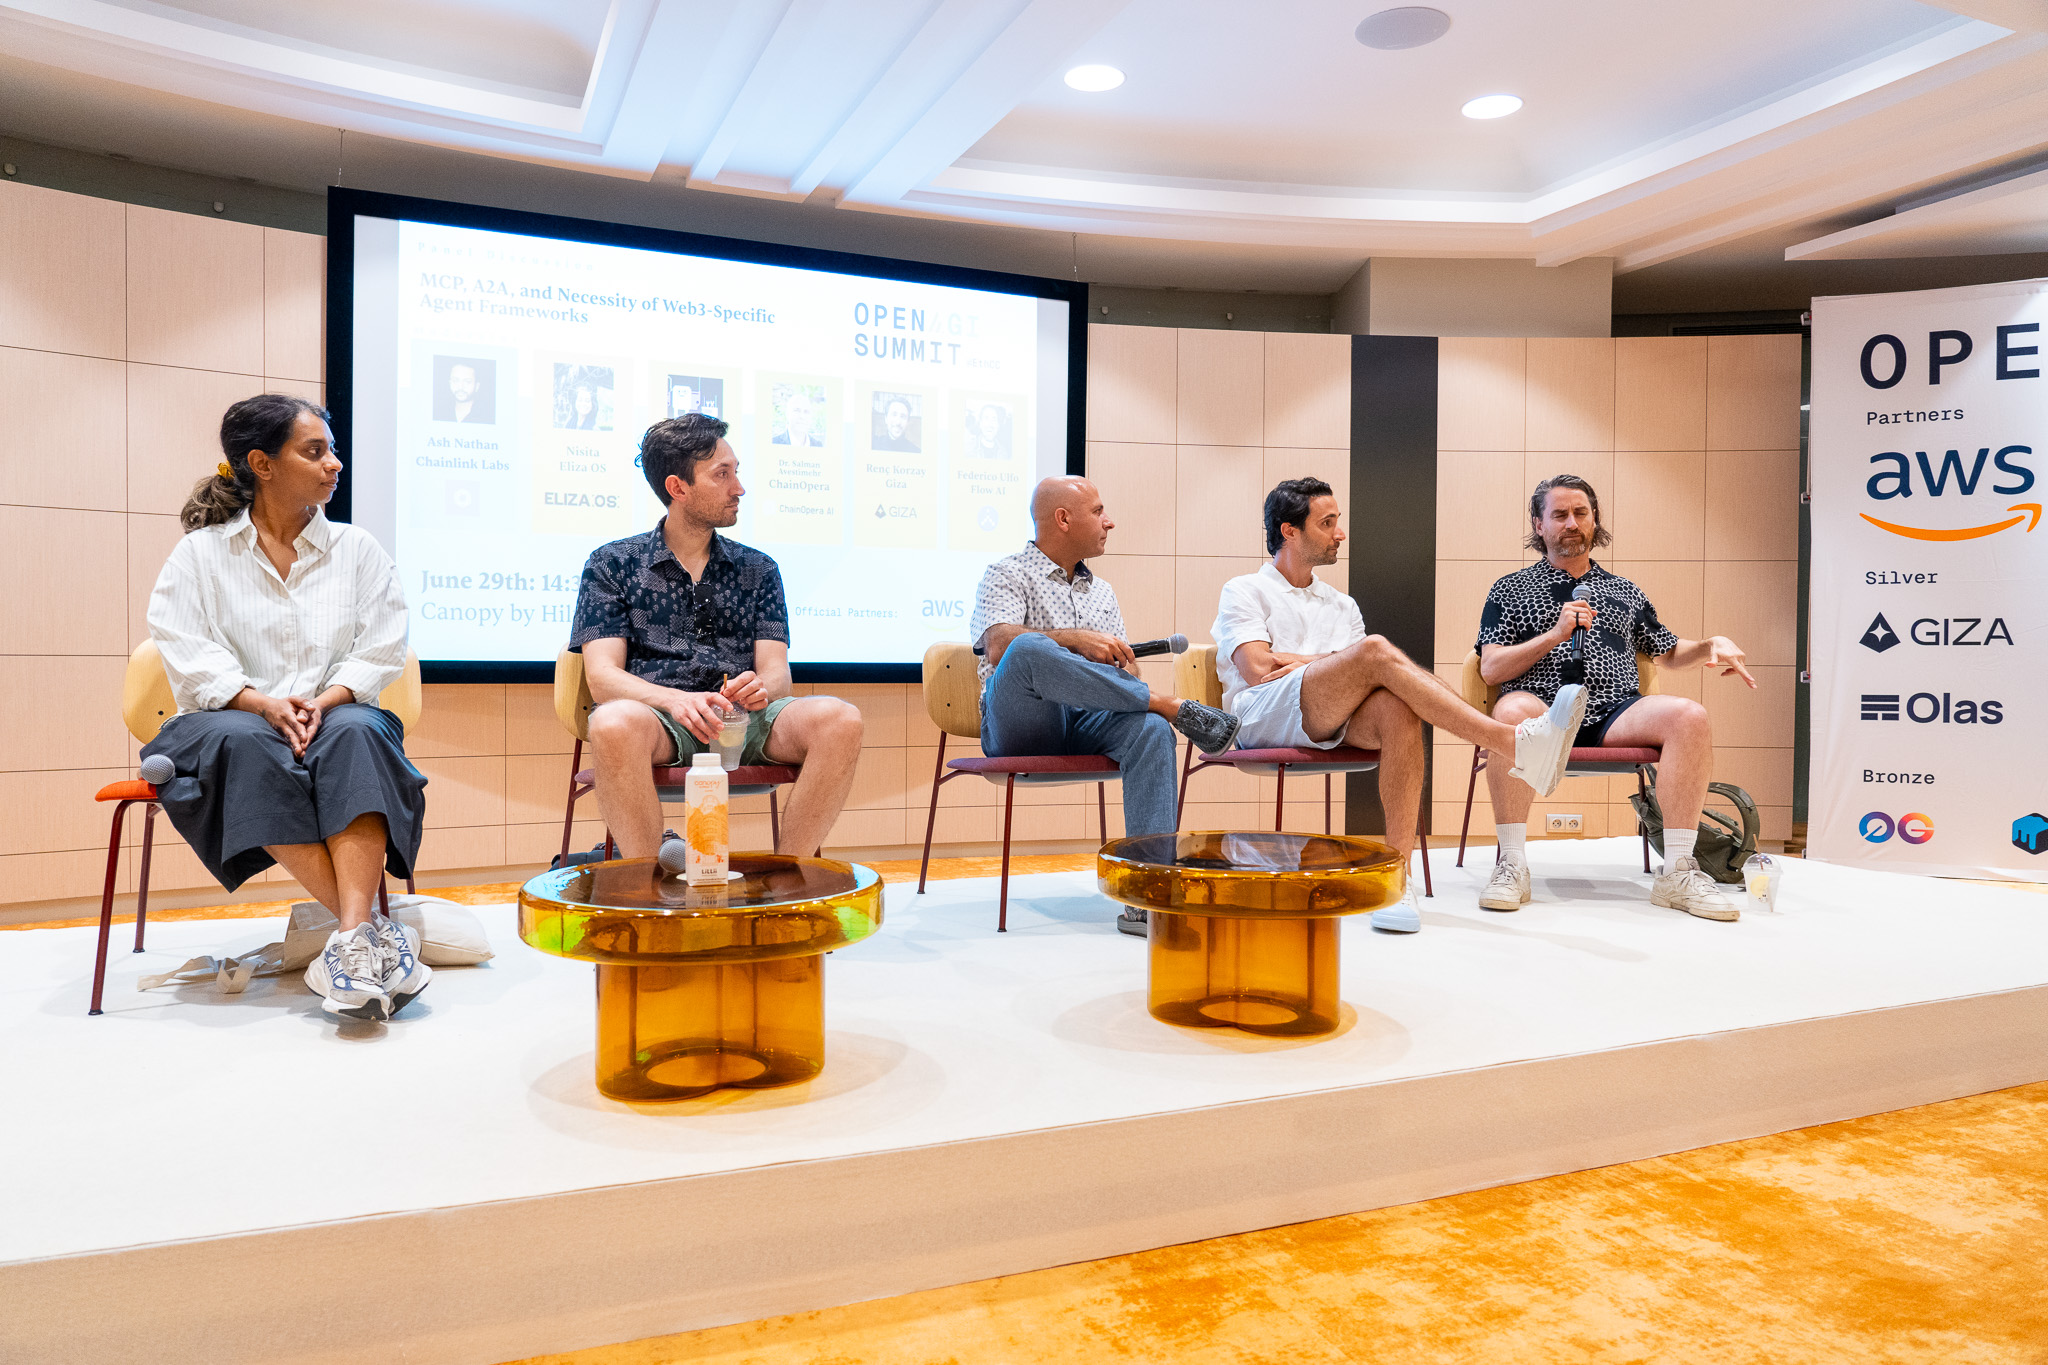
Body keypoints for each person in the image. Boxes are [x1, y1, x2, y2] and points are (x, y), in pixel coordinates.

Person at [145, 395, 429, 1022]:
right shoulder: (200, 554)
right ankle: (371, 938)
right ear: (262, 463)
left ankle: (350, 941)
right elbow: (183, 645)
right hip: (229, 719)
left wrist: (321, 702)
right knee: (245, 740)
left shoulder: (358, 549)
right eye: (315, 451)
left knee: (358, 732)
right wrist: (261, 703)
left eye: (332, 449)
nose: (335, 464)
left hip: (335, 711)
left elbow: (383, 646)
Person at [1214, 478, 1586, 934]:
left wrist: (1309, 660)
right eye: (1327, 523)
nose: (1340, 533)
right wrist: (1338, 661)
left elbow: (1363, 675)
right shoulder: (1244, 590)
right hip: (1261, 716)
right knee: (1373, 650)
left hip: (1327, 717)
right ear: (1289, 531)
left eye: (1338, 522)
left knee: (1397, 706)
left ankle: (1397, 877)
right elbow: (1257, 668)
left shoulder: (1341, 604)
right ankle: (1509, 741)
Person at [573, 414, 863, 859]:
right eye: (722, 474)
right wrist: (676, 701)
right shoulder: (612, 563)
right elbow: (602, 678)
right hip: (660, 721)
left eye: (736, 472)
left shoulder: (758, 568)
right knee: (611, 722)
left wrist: (758, 687)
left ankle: (790, 872)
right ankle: (644, 882)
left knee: (841, 718)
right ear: (678, 488)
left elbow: (777, 676)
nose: (739, 488)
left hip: (743, 722)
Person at [1476, 474, 1758, 921]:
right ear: (1539, 525)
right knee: (1510, 712)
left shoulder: (1623, 590)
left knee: (1690, 716)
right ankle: (1511, 863)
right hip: (1541, 708)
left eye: (1580, 513)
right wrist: (1555, 634)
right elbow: (1491, 668)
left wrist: (1710, 644)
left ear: (1595, 520)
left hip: (1614, 711)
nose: (1572, 523)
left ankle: (1679, 872)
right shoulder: (1510, 589)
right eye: (1559, 515)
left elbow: (1668, 651)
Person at [972, 476, 1242, 936]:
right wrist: (1076, 641)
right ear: (1063, 518)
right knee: (1027, 649)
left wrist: (1122, 669)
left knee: (1152, 731)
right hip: (1022, 722)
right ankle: (1168, 703)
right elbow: (998, 646)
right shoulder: (1006, 573)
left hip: (1089, 719)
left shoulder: (1103, 591)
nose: (1109, 521)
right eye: (1098, 511)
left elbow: (1124, 675)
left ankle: (1148, 896)